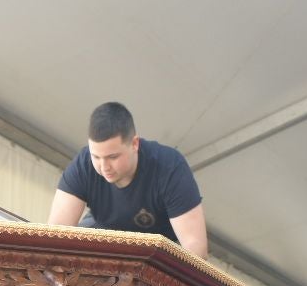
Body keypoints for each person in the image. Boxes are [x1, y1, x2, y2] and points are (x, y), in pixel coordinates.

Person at [46, 102, 208, 258]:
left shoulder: (169, 167)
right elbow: (55, 236)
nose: (104, 167)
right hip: (100, 233)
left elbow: (196, 248)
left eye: (113, 157)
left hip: (155, 251)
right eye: (96, 156)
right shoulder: (83, 164)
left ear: (135, 144)